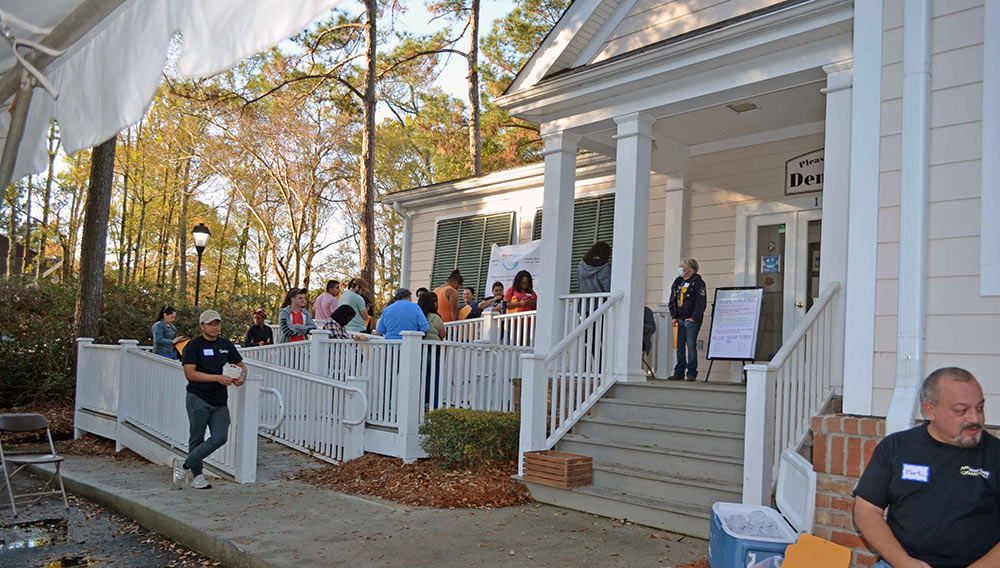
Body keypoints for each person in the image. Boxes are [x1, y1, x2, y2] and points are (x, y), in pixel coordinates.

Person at [853, 367, 1000, 568]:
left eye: (980, 408)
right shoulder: (896, 448)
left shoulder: (995, 454)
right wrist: (903, 562)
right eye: (961, 411)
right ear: (930, 410)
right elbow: (866, 510)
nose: (975, 419)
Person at [174, 309, 246, 490]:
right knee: (196, 437)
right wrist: (217, 378)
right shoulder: (194, 345)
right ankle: (198, 476)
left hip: (219, 400)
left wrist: (241, 376)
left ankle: (184, 466)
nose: (214, 327)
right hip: (198, 397)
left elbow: (241, 366)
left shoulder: (226, 345)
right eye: (210, 324)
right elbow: (190, 374)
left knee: (220, 436)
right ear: (202, 326)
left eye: (217, 323)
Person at [667, 258, 706, 381]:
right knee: (679, 346)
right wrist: (674, 316)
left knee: (691, 346)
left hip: (691, 321)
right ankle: (679, 372)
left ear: (688, 269)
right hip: (679, 320)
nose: (679, 268)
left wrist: (694, 318)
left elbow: (701, 302)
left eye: (681, 266)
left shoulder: (698, 282)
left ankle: (691, 373)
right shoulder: (678, 282)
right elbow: (672, 299)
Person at [418, 292, 445, 408]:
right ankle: (433, 405)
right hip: (434, 350)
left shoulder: (418, 316)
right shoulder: (434, 317)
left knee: (422, 378)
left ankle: (422, 403)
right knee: (434, 378)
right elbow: (443, 334)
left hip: (420, 349)